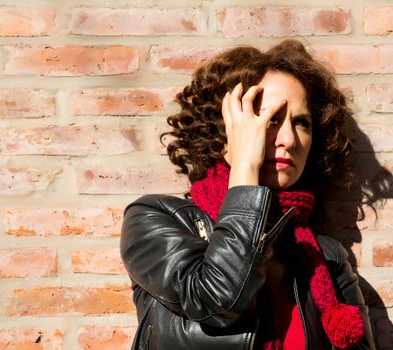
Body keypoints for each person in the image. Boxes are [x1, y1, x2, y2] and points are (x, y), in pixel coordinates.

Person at [120, 39, 375, 349]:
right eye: (268, 120)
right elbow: (218, 301)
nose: (289, 139)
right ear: (224, 130)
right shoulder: (155, 220)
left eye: (301, 123)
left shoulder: (327, 257)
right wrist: (245, 168)